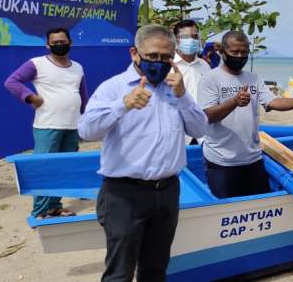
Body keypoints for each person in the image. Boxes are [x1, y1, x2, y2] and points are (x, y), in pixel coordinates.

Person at [78, 24, 208, 281]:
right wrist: (122, 105)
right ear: (134, 53)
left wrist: (182, 96)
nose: (160, 63)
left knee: (155, 269)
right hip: (125, 194)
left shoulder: (176, 88)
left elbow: (200, 127)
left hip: (167, 191)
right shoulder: (113, 88)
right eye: (153, 56)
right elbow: (86, 130)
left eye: (166, 57)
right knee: (119, 273)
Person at [198, 31, 293, 198]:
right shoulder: (210, 79)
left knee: (259, 208)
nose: (240, 56)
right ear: (223, 52)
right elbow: (207, 116)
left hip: (252, 160)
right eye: (234, 52)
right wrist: (233, 102)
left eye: (244, 52)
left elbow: (272, 102)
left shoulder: (253, 78)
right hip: (222, 162)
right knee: (227, 214)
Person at [4, 27, 87, 218]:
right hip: (47, 126)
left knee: (62, 170)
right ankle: (40, 211)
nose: (59, 45)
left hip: (72, 126)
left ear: (70, 42)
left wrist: (86, 117)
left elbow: (82, 95)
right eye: (55, 43)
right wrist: (30, 97)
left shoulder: (78, 67)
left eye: (62, 41)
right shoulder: (37, 64)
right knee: (44, 168)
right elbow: (12, 82)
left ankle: (55, 206)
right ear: (47, 45)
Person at [172, 19, 211, 145]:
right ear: (176, 40)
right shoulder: (167, 66)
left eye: (195, 36)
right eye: (185, 37)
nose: (191, 40)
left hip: (203, 133)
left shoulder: (204, 66)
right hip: (178, 133)